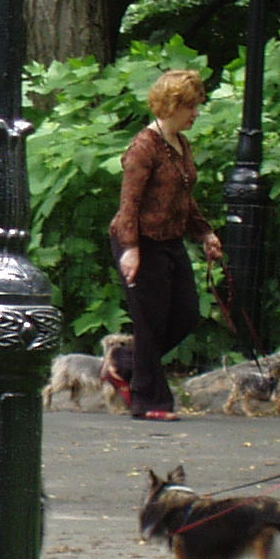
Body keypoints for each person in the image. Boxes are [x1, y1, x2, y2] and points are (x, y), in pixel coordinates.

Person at [109, 68, 224, 421]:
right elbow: (129, 203)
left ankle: (123, 364)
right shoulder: (144, 147)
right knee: (151, 322)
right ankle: (148, 401)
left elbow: (183, 198)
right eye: (191, 106)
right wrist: (131, 249)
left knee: (186, 315)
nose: (196, 113)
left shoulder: (181, 144)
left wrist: (205, 233)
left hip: (171, 240)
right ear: (172, 105)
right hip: (140, 241)